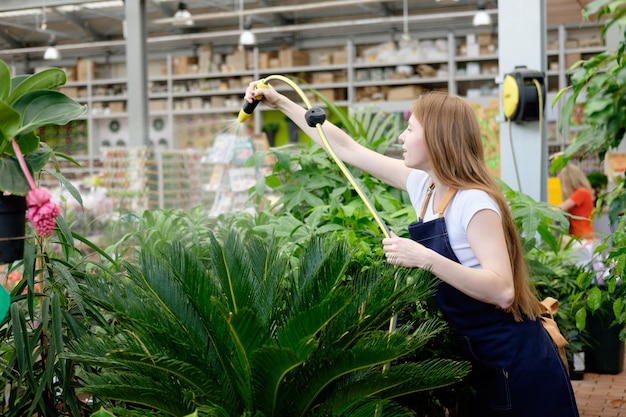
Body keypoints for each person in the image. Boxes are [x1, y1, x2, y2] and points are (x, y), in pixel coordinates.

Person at [243, 82, 579, 416]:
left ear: (436, 138)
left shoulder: (474, 202)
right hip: (480, 360)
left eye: (409, 128)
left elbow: (504, 290)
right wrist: (281, 103)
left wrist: (424, 258)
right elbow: (348, 150)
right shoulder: (426, 186)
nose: (401, 138)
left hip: (518, 366)